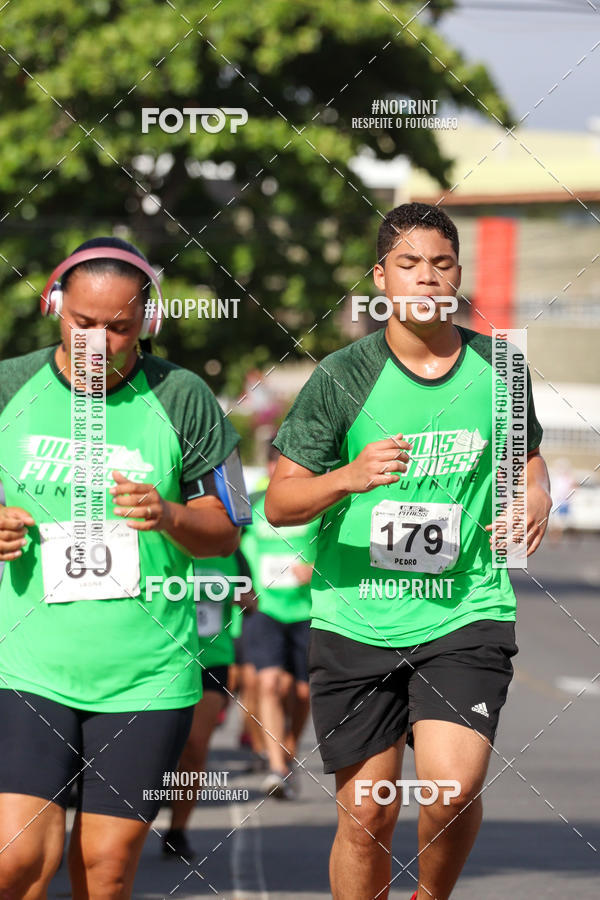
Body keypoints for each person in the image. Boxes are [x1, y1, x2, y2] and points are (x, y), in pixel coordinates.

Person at [265, 203, 552, 899]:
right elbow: (279, 504)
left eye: (442, 264)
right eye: (409, 264)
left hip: (464, 609)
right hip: (356, 618)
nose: (427, 278)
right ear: (381, 278)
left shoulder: (501, 369)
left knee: (450, 790)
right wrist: (348, 477)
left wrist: (535, 495)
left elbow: (529, 461)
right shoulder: (343, 375)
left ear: (458, 275)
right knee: (367, 811)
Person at [0, 236, 249, 899]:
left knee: (106, 871)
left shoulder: (184, 396)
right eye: (82, 322)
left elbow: (227, 530)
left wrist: (169, 515)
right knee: (15, 861)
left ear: (147, 325)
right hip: (28, 663)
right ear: (55, 307)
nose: (98, 341)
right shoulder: (8, 386)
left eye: (119, 327)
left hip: (146, 674)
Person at [162, 548, 256, 860]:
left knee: (195, 746)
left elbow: (253, 602)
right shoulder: (163, 542)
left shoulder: (229, 550)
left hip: (212, 660)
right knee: (158, 746)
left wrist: (239, 597)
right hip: (163, 661)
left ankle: (177, 830)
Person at [242, 443, 320, 799]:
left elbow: (333, 558)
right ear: (271, 466)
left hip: (308, 611)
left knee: (303, 693)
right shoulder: (256, 511)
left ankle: (288, 748)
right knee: (270, 683)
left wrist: (315, 571)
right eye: (276, 461)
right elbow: (242, 556)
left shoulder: (317, 512)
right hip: (267, 609)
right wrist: (244, 590)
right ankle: (276, 766)